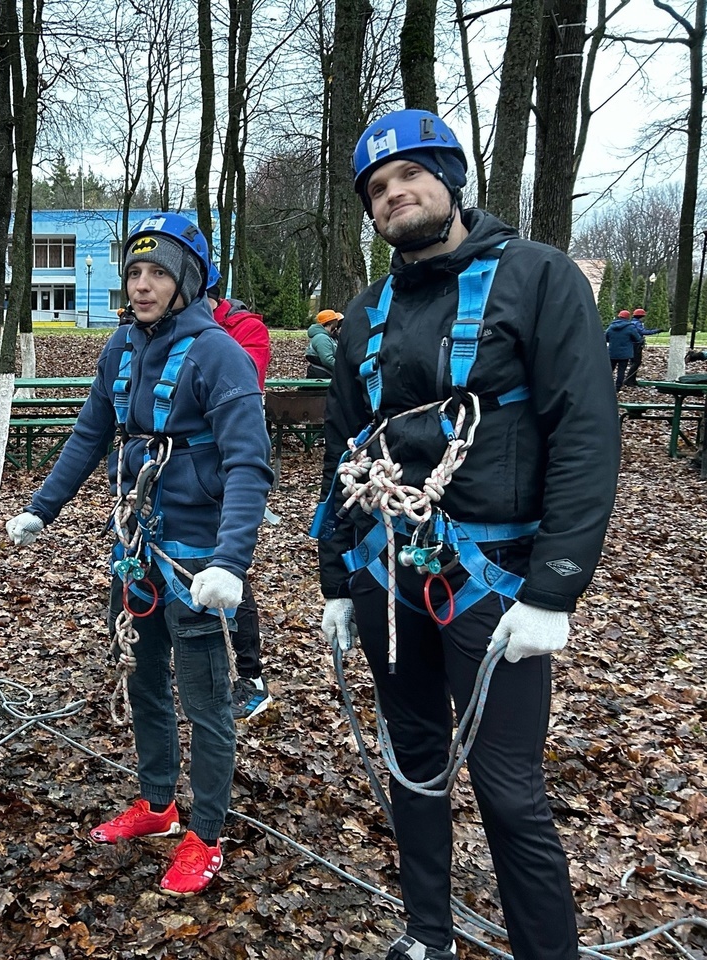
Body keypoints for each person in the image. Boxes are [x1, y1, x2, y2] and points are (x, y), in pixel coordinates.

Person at [314, 110, 620, 960]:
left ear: (450, 179)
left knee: (509, 790)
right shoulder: (369, 312)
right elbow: (343, 449)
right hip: (389, 574)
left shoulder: (538, 278)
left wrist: (555, 586)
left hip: (497, 582)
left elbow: (585, 433)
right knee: (413, 762)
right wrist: (338, 579)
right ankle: (427, 936)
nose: (394, 194)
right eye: (378, 189)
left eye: (410, 175)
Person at [6, 213, 272, 895]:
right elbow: (87, 436)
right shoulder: (120, 350)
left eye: (157, 272)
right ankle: (159, 804)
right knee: (144, 679)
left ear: (188, 279)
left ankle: (205, 836)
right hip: (137, 548)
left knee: (206, 699)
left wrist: (229, 563)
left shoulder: (220, 356)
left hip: (197, 559)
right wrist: (42, 506)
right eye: (134, 271)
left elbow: (248, 466)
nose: (142, 284)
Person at [205, 282, 273, 720]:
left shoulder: (246, 329)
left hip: (231, 464)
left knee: (230, 570)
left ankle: (251, 677)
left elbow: (241, 379)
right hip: (183, 471)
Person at [623, 307, 663, 386]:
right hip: (636, 345)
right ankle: (628, 380)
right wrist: (656, 331)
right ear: (641, 317)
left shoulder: (632, 322)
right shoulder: (637, 323)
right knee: (636, 362)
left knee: (634, 363)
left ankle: (632, 380)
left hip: (632, 345)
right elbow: (643, 332)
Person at [605, 309, 642, 392]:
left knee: (610, 370)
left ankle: (605, 386)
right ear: (628, 317)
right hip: (624, 354)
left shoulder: (611, 326)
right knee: (621, 371)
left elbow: (605, 338)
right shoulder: (630, 327)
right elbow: (637, 339)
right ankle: (617, 388)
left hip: (612, 352)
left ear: (619, 316)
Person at [305, 310, 343, 379]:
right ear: (330, 325)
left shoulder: (326, 337)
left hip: (322, 373)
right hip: (321, 375)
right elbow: (327, 359)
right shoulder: (322, 338)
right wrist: (343, 368)